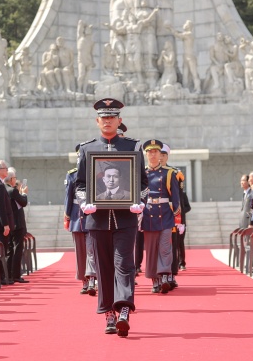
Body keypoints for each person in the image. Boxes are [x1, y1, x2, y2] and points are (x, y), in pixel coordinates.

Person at [75, 97, 148, 337]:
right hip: (97, 220)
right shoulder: (87, 149)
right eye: (104, 118)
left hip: (125, 218)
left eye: (112, 117)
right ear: (97, 121)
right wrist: (84, 202)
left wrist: (140, 201)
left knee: (124, 264)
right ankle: (108, 313)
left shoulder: (133, 147)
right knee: (103, 268)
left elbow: (144, 183)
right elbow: (80, 184)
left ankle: (124, 308)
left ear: (119, 120)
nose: (108, 121)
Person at [141, 139, 181, 294]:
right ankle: (155, 280)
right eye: (149, 152)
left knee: (165, 248)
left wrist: (177, 218)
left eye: (155, 152)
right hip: (148, 214)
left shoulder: (169, 173)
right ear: (146, 154)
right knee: (151, 249)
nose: (152, 154)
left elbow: (175, 197)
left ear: (160, 155)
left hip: (164, 214)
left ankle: (165, 275)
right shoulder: (142, 173)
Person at [64, 144, 97, 295]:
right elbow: (68, 197)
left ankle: (92, 279)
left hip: (93, 216)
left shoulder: (97, 173)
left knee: (92, 250)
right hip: (77, 216)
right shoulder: (72, 174)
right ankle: (84, 280)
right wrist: (67, 216)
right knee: (80, 252)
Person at [159, 143, 191, 275]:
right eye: (158, 154)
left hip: (170, 213)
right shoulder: (147, 171)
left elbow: (178, 197)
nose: (160, 157)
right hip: (154, 213)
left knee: (174, 242)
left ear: (167, 156)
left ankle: (172, 270)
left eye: (163, 155)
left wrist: (179, 218)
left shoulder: (174, 173)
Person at [4, 168, 29, 283]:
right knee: (17, 249)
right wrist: (24, 193)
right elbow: (23, 202)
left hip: (9, 222)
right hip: (16, 223)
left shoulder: (3, 188)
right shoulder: (12, 190)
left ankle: (10, 274)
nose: (15, 179)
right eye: (14, 178)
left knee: (10, 249)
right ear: (11, 179)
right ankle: (16, 275)